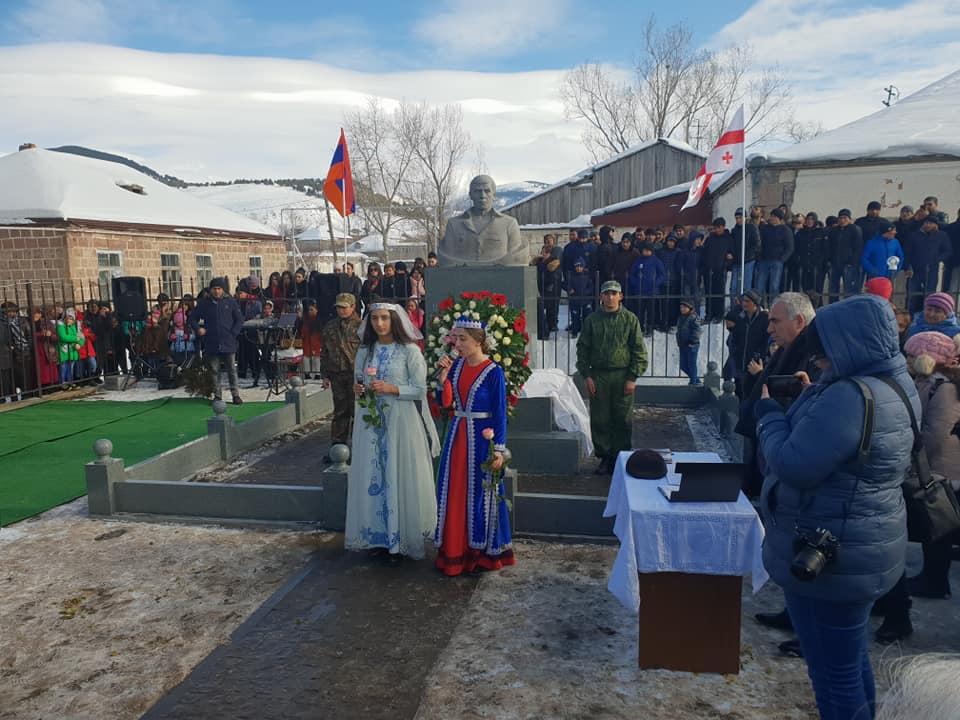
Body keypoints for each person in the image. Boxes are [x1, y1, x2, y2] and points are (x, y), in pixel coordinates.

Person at [754, 294, 916, 720]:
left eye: (828, 345)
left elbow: (792, 463)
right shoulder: (895, 385)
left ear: (851, 342)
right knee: (849, 660)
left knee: (832, 675)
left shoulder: (849, 397)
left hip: (828, 553)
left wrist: (768, 414)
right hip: (866, 545)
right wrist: (814, 399)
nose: (821, 356)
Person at [344, 303, 439, 565]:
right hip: (371, 421)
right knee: (373, 474)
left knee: (398, 472)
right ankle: (378, 535)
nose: (379, 323)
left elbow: (419, 389)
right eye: (374, 318)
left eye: (384, 318)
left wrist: (393, 388)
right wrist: (359, 389)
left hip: (400, 420)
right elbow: (359, 382)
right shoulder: (366, 351)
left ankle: (402, 535)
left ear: (394, 321)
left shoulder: (409, 351)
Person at [434, 315, 516, 576]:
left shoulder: (493, 372)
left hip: (482, 439)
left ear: (479, 341)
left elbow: (500, 412)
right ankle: (455, 549)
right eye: (455, 338)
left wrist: (499, 450)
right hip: (458, 436)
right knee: (455, 491)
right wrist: (443, 378)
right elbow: (446, 404)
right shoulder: (456, 367)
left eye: (463, 339)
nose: (457, 343)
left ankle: (482, 552)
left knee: (482, 492)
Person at [576, 280, 647, 475]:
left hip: (622, 374)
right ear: (601, 297)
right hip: (599, 375)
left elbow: (638, 349)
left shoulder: (630, 319)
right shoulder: (592, 320)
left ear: (621, 296)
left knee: (622, 418)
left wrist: (633, 377)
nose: (610, 297)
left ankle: (621, 457)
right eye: (606, 293)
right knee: (600, 418)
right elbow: (583, 349)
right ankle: (605, 457)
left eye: (614, 293)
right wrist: (587, 376)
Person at [438, 175, 527, 266]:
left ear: (494, 195)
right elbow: (446, 262)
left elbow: (516, 261)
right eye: (477, 191)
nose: (482, 196)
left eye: (487, 191)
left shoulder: (509, 224)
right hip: (462, 278)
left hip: (500, 278)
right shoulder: (454, 224)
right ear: (470, 195)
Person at [192, 278, 244, 405]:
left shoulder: (230, 302)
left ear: (223, 290)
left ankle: (235, 395)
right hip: (212, 341)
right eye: (214, 289)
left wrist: (233, 334)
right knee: (214, 370)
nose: (217, 291)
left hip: (228, 341)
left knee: (231, 369)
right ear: (211, 290)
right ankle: (217, 395)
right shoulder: (204, 303)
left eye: (219, 289)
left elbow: (239, 319)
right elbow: (192, 318)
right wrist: (198, 329)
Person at [320, 293, 362, 452]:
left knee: (358, 411)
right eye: (338, 307)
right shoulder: (330, 327)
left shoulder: (362, 327)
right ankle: (338, 447)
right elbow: (324, 352)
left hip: (356, 376)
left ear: (353, 307)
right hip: (337, 374)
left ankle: (359, 449)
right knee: (340, 411)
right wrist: (324, 375)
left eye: (344, 307)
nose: (341, 310)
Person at [904, 216, 951, 312]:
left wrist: (937, 259)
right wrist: (907, 267)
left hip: (932, 270)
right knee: (912, 295)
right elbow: (907, 253)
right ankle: (909, 317)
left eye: (930, 223)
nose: (928, 225)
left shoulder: (941, 235)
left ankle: (927, 316)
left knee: (930, 295)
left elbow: (948, 251)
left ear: (935, 225)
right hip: (915, 270)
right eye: (926, 222)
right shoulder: (914, 235)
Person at [756, 208, 794, 298]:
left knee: (774, 286)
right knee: (759, 286)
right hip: (764, 260)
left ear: (779, 218)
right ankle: (759, 305)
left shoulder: (786, 230)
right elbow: (760, 244)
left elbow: (789, 247)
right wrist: (759, 257)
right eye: (771, 216)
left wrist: (781, 260)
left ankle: (773, 305)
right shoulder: (765, 229)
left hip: (777, 261)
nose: (771, 218)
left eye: (774, 216)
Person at [828, 209, 864, 302]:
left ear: (849, 219)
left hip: (849, 264)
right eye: (840, 218)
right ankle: (833, 306)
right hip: (835, 263)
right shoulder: (834, 230)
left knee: (849, 289)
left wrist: (852, 262)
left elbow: (858, 248)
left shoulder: (855, 229)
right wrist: (829, 260)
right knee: (833, 288)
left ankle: (849, 306)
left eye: (845, 218)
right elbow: (829, 246)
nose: (842, 220)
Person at [628, 243, 665, 333]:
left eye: (648, 250)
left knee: (651, 311)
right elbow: (632, 274)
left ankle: (650, 327)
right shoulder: (638, 261)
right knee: (639, 310)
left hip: (652, 291)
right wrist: (636, 284)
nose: (646, 252)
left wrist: (656, 283)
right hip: (639, 290)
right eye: (645, 250)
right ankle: (640, 327)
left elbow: (662, 274)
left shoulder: (656, 261)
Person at [730, 207, 759, 298]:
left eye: (740, 217)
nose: (738, 220)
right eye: (737, 218)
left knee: (746, 287)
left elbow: (756, 243)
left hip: (748, 260)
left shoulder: (751, 228)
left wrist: (748, 255)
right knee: (734, 288)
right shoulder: (734, 230)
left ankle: (746, 306)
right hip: (736, 261)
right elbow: (732, 245)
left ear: (745, 218)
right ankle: (734, 308)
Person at [676, 298, 701, 385]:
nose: (682, 309)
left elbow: (697, 330)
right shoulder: (681, 317)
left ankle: (693, 382)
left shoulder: (694, 317)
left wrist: (692, 341)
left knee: (691, 364)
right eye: (681, 307)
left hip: (691, 345)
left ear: (690, 307)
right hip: (683, 345)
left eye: (684, 307)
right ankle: (696, 379)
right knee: (683, 365)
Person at [567, 257, 594, 337]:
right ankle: (575, 331)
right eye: (577, 266)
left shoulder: (587, 276)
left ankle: (587, 331)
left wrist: (585, 292)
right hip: (575, 301)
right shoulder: (571, 276)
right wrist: (570, 289)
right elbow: (566, 285)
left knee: (587, 316)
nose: (578, 268)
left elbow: (591, 287)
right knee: (575, 317)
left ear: (583, 266)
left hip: (586, 300)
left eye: (580, 266)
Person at [299, 300, 324, 380]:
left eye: (312, 309)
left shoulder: (319, 320)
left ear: (316, 310)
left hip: (316, 340)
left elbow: (320, 331)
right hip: (306, 340)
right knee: (306, 358)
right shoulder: (305, 319)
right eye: (309, 310)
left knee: (316, 358)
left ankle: (317, 373)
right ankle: (307, 373)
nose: (310, 311)